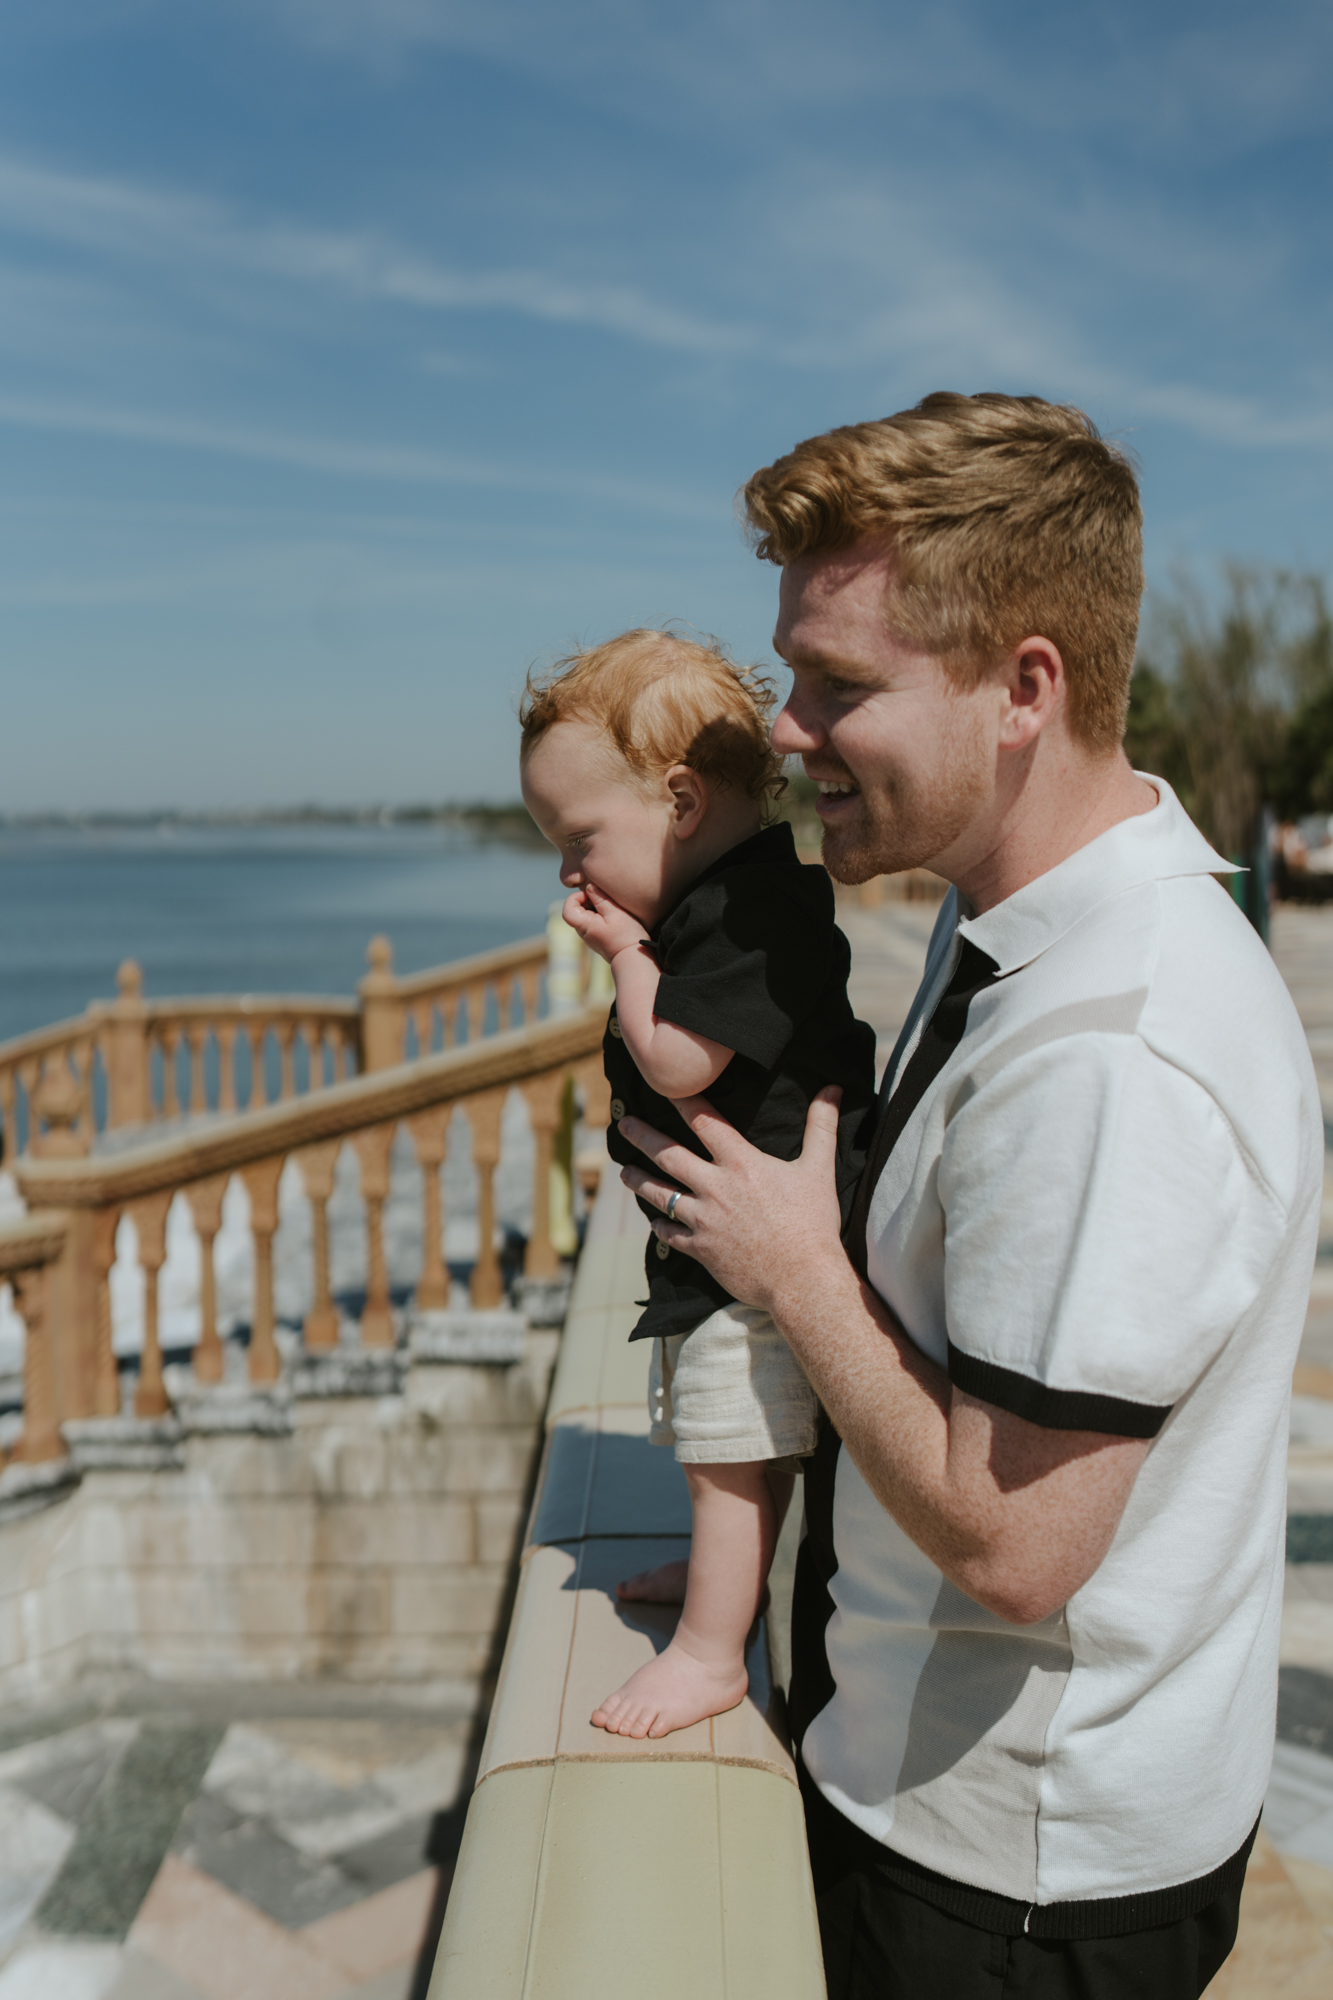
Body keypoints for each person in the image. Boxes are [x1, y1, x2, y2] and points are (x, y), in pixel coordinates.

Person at [614, 395, 1324, 1998]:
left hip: (1012, 1885)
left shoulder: (1118, 1056)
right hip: (969, 1814)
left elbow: (1015, 1542)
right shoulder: (1018, 906)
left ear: (1024, 689)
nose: (783, 727)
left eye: (839, 683)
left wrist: (792, 1269)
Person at [519, 629, 876, 1740]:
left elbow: (680, 1058)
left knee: (727, 1441)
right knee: (717, 1437)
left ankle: (714, 1649)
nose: (569, 874)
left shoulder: (754, 911)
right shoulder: (708, 907)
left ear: (680, 800)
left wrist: (627, 960)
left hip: (758, 1252)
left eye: (580, 839)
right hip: (719, 1242)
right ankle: (716, 1572)